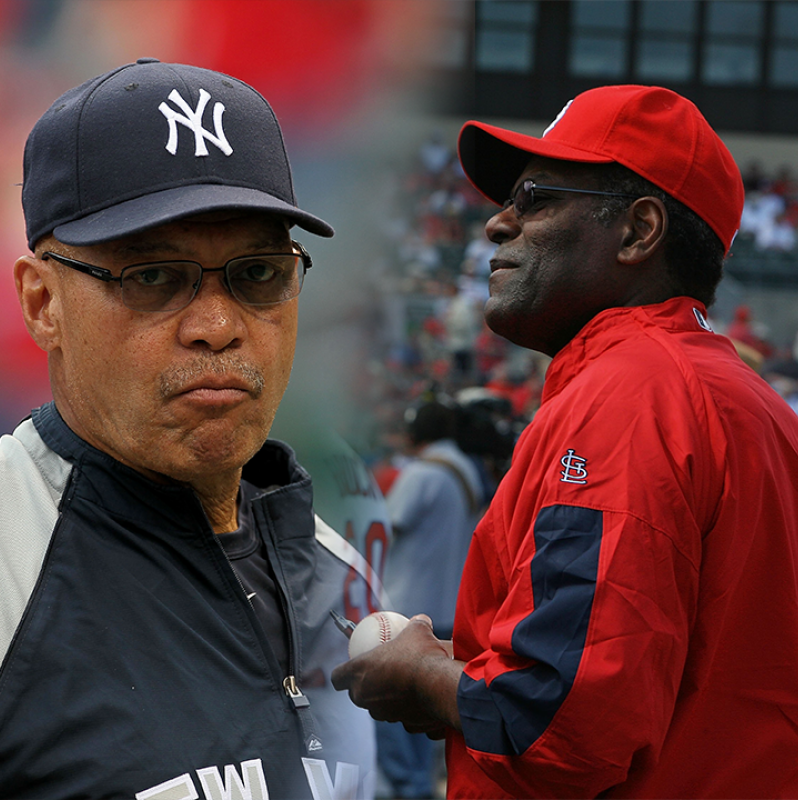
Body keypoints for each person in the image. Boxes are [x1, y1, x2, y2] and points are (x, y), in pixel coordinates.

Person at [332, 84, 798, 798]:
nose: (497, 224)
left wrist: (424, 677)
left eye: (534, 198)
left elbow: (558, 727)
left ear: (639, 232)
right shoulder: (759, 408)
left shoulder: (632, 394)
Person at [0, 58, 378, 800]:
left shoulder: (345, 578)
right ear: (43, 303)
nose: (216, 326)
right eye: (152, 277)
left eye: (259, 274)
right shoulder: (9, 557)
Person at [376, 400, 483, 800]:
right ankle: (419, 782)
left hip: (409, 608)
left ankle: (409, 787)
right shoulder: (465, 469)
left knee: (392, 708)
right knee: (427, 707)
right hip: (450, 603)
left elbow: (384, 524)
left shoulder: (421, 473)